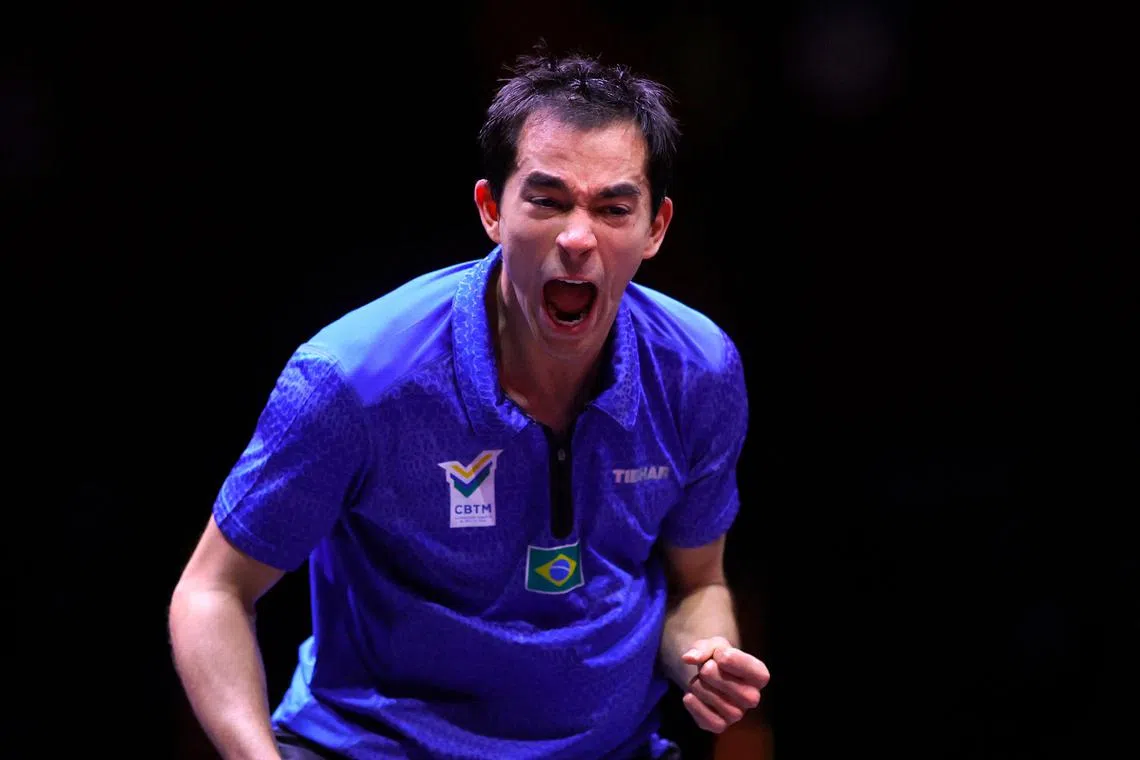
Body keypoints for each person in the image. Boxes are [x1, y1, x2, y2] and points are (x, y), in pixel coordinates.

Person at [169, 46, 770, 760]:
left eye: (614, 208)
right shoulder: (357, 377)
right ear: (491, 209)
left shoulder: (698, 370)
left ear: (656, 228)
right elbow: (212, 592)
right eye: (547, 201)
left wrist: (704, 653)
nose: (579, 238)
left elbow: (697, 583)